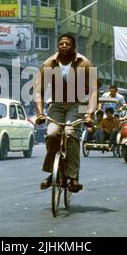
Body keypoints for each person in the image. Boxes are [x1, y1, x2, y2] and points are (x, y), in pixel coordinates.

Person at [34, 34, 97, 193]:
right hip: (57, 105)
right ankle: (52, 173)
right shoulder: (49, 63)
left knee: (70, 133)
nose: (63, 46)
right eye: (60, 43)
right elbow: (38, 90)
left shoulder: (84, 63)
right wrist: (40, 113)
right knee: (52, 134)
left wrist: (89, 115)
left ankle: (73, 176)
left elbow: (94, 91)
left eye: (67, 44)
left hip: (77, 104)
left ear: (74, 47)